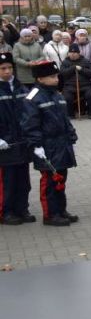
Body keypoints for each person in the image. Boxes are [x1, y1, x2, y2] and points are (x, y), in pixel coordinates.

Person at [21, 60, 78, 226]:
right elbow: (30, 124)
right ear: (40, 79)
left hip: (62, 144)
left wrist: (72, 137)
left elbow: (65, 120)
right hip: (46, 146)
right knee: (49, 181)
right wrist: (36, 145)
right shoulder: (33, 98)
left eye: (56, 75)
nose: (56, 79)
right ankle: (50, 214)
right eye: (52, 76)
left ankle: (61, 209)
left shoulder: (56, 94)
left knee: (61, 179)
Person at [0, 52, 34, 224]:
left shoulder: (20, 87)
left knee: (23, 179)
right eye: (3, 68)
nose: (7, 72)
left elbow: (29, 112)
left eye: (10, 68)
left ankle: (22, 208)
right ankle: (6, 211)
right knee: (8, 180)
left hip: (21, 140)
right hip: (5, 143)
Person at [59, 44, 91, 119]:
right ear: (68, 53)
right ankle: (70, 114)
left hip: (85, 85)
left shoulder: (85, 61)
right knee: (67, 97)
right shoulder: (65, 62)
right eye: (71, 53)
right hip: (70, 86)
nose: (72, 55)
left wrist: (81, 69)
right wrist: (73, 68)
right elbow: (63, 73)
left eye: (75, 53)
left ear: (79, 53)